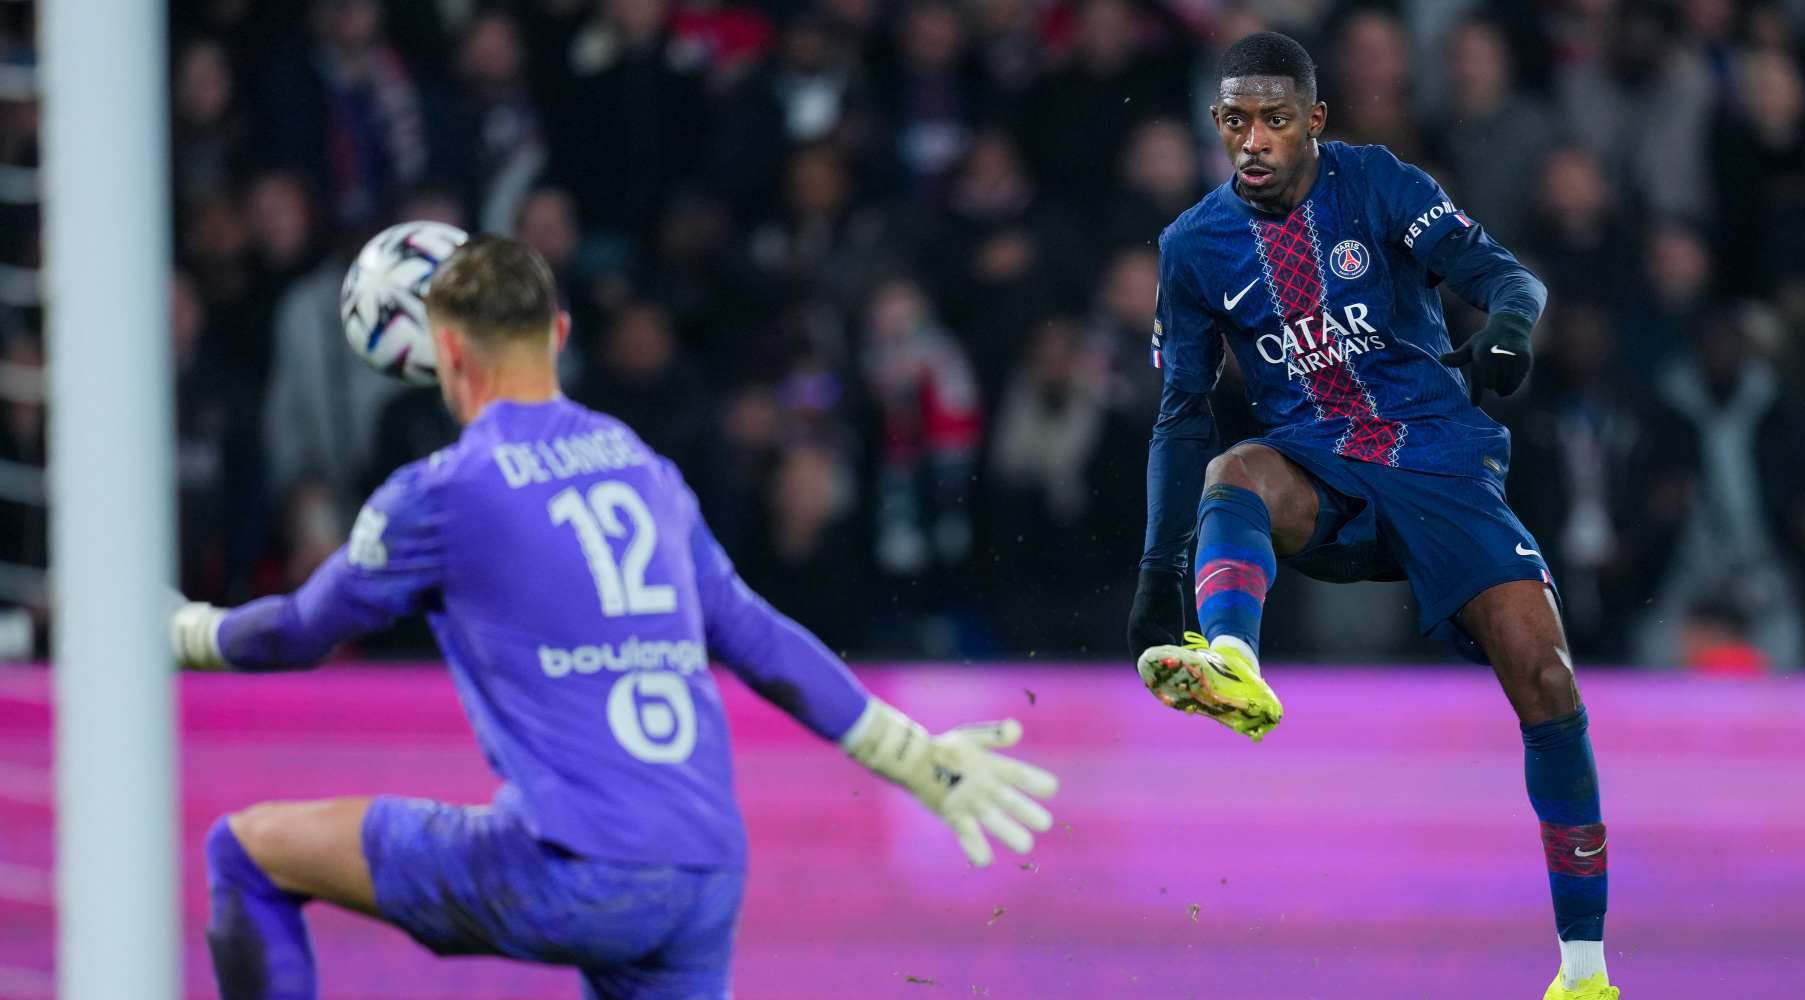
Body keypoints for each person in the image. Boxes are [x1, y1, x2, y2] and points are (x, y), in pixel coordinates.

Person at [167, 237, 1058, 999]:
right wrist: (908, 752)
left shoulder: (439, 493)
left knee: (248, 853)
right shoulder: (644, 467)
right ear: (557, 333)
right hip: (703, 870)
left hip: (572, 867)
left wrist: (181, 632)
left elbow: (297, 633)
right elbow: (754, 633)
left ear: (443, 351)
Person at [1126, 33, 1614, 1000]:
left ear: (1314, 119)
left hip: (1438, 460)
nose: (1253, 142)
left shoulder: (1381, 183)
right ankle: (1232, 658)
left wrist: (1510, 335)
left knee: (1548, 680)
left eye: (1273, 120)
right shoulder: (1192, 247)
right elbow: (1179, 415)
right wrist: (1155, 573)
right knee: (1235, 464)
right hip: (1321, 471)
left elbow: (1511, 280)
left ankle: (1585, 970)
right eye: (1235, 123)